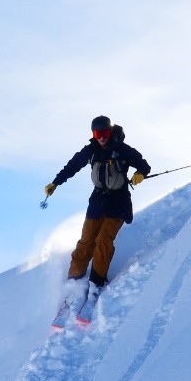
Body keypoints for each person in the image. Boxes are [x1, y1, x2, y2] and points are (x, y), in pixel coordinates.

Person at [44, 115, 151, 291]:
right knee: (86, 240)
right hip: (97, 200)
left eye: (105, 133)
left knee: (103, 241)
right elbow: (72, 166)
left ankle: (97, 281)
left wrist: (140, 174)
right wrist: (55, 183)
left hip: (118, 201)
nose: (101, 137)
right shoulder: (91, 150)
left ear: (111, 132)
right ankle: (74, 278)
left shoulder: (122, 149)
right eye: (97, 134)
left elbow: (144, 165)